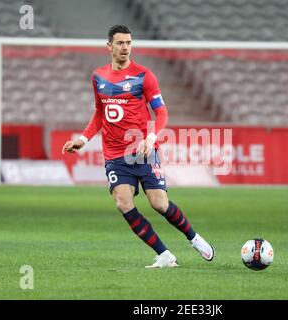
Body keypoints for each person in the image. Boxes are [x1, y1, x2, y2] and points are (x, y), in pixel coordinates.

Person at [62, 25, 215, 268]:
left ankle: (193, 237)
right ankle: (164, 254)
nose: (125, 47)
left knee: (159, 203)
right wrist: (83, 139)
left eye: (128, 43)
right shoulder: (98, 77)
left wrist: (151, 138)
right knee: (123, 202)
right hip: (114, 154)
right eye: (120, 43)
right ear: (109, 46)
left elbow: (162, 112)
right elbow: (100, 113)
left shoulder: (144, 76)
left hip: (142, 150)